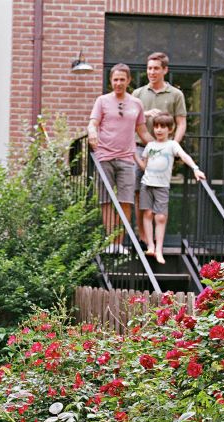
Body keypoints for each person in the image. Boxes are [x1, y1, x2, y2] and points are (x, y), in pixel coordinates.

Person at [88, 63, 152, 252]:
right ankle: (109, 244)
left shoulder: (136, 103)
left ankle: (118, 243)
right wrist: (92, 131)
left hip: (127, 159)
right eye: (115, 79)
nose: (118, 83)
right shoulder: (102, 101)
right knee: (106, 201)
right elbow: (93, 123)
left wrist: (158, 147)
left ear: (128, 81)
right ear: (111, 81)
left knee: (126, 201)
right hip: (104, 156)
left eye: (122, 79)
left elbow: (142, 131)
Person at [135, 112, 205, 264]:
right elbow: (144, 166)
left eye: (163, 127)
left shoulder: (172, 145)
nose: (159, 130)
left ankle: (159, 249)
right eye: (156, 127)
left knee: (160, 217)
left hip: (162, 186)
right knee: (146, 214)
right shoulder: (150, 146)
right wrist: (133, 155)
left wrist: (195, 168)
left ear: (170, 129)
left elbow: (184, 156)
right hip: (146, 184)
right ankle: (150, 246)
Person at [133, 52, 188, 240]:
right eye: (149, 68)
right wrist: (146, 113)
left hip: (163, 153)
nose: (152, 72)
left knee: (160, 195)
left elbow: (181, 123)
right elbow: (131, 121)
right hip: (141, 149)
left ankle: (159, 239)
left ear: (165, 70)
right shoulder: (138, 94)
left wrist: (174, 146)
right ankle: (143, 238)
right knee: (139, 194)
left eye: (156, 68)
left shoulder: (175, 94)